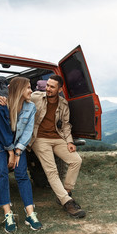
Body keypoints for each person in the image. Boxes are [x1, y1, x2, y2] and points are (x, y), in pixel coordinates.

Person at [0, 77, 42, 233]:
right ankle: (8, 214)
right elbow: (3, 131)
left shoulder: (30, 107)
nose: (31, 91)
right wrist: (10, 152)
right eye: (28, 87)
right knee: (2, 172)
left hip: (16, 143)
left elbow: (27, 131)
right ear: (18, 89)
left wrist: (18, 151)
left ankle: (30, 214)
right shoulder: (2, 105)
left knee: (21, 174)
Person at [28, 74, 86, 218]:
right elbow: (18, 98)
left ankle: (66, 192)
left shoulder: (63, 104)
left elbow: (66, 125)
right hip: (40, 139)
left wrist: (70, 142)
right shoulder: (36, 97)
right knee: (52, 171)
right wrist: (4, 97)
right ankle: (67, 203)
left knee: (76, 160)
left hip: (57, 137)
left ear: (60, 89)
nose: (48, 89)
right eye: (47, 85)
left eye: (52, 87)